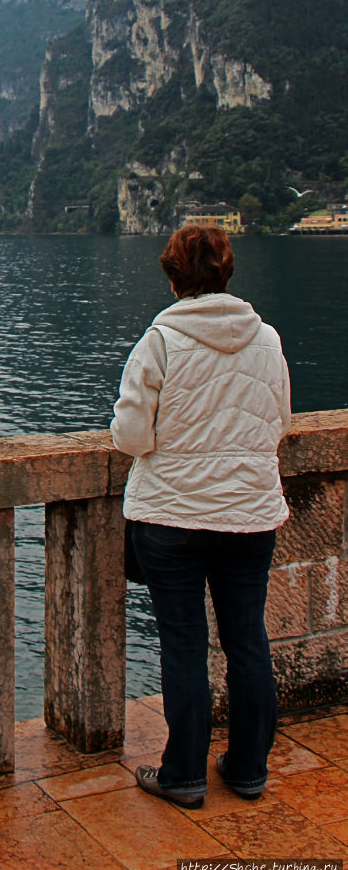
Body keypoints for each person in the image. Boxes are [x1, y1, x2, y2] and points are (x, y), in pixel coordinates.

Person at [111, 223, 290, 809]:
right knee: (247, 639)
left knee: (183, 643)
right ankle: (247, 769)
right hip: (249, 516)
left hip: (173, 517)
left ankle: (183, 774)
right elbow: (279, 423)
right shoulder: (267, 339)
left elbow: (132, 436)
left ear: (172, 277)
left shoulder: (160, 341)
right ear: (227, 273)